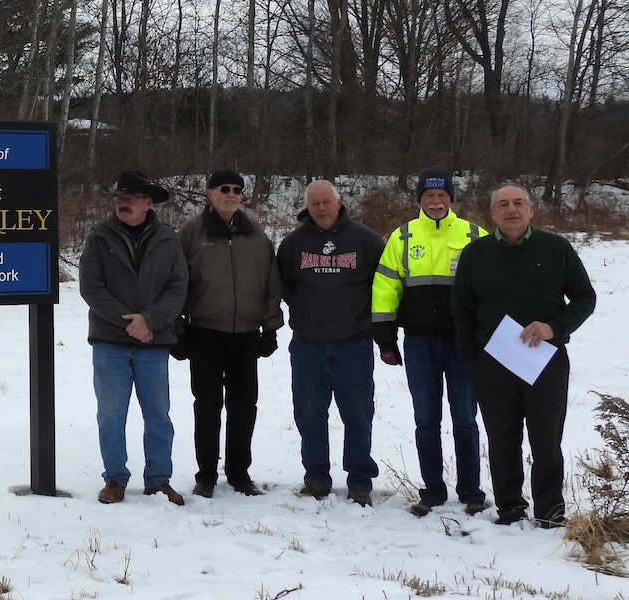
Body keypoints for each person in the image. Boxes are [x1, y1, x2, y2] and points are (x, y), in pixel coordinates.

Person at [453, 184, 596, 528]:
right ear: (492, 214)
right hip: (493, 364)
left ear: (531, 210)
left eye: (518, 203)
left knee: (546, 440)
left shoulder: (556, 248)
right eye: (503, 204)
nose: (511, 209)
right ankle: (509, 508)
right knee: (502, 440)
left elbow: (584, 298)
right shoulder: (476, 254)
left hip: (545, 361)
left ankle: (549, 512)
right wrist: (472, 358)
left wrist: (553, 327)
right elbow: (461, 309)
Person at [371, 165, 490, 517]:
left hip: (463, 345)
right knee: (426, 420)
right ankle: (433, 491)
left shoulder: (473, 234)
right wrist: (385, 338)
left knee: (466, 419)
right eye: (428, 195)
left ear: (451, 198)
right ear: (419, 199)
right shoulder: (403, 236)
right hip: (420, 343)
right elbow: (385, 289)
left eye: (441, 195)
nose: (435, 201)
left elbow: (489, 291)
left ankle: (471, 491)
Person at [79, 170, 189, 505]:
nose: (123, 204)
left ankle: (158, 480)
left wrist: (150, 320)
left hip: (154, 341)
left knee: (158, 414)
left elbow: (178, 286)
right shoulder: (99, 236)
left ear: (148, 202)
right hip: (110, 341)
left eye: (130, 198)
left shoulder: (169, 238)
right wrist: (129, 322)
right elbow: (91, 287)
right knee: (111, 414)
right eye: (119, 199)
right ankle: (114, 479)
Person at [276, 181, 385, 506]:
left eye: (326, 201)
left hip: (353, 344)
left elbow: (385, 286)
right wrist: (306, 314)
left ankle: (360, 480)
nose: (321, 208)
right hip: (309, 344)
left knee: (357, 414)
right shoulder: (293, 244)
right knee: (309, 414)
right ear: (307, 207)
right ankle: (317, 477)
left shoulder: (366, 240)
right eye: (315, 203)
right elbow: (282, 285)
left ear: (339, 202)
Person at [176, 168, 283, 499]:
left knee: (244, 405)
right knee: (207, 404)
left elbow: (270, 282)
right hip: (205, 330)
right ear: (210, 193)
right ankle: (206, 474)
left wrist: (271, 326)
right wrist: (178, 328)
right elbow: (176, 282)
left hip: (247, 332)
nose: (232, 194)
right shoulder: (191, 232)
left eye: (237, 189)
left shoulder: (256, 235)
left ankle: (238, 472)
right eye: (224, 188)